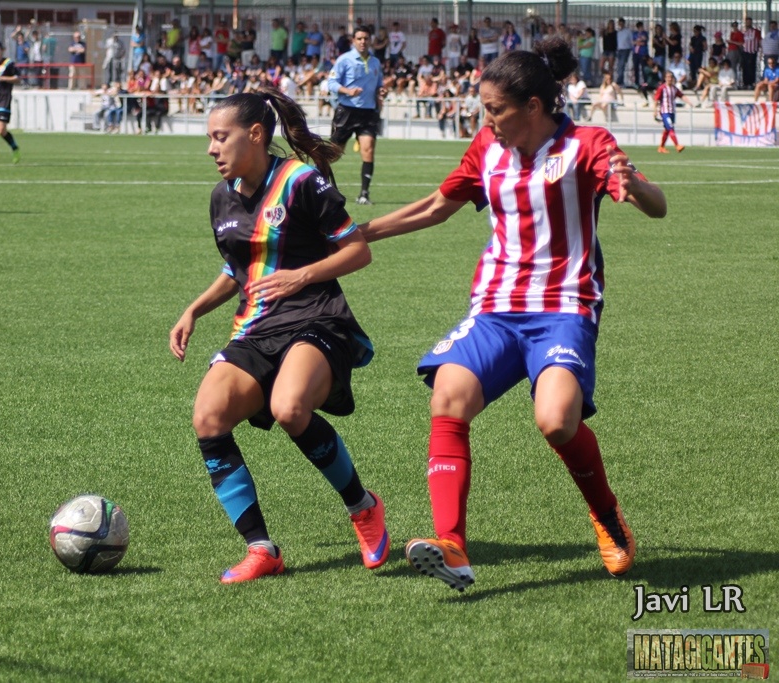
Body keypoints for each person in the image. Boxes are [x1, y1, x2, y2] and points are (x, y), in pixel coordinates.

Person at [357, 36, 666, 591]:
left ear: (533, 108)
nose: (487, 119)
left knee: (556, 420)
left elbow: (656, 205)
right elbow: (436, 206)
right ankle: (451, 545)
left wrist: (634, 183)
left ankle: (607, 515)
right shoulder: (485, 148)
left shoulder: (589, 144)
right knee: (447, 397)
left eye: (495, 109)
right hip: (496, 308)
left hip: (564, 308)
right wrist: (363, 231)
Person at [169, 87, 390, 584]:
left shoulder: (300, 181)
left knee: (290, 408)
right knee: (208, 417)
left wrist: (302, 275)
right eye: (209, 138)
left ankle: (363, 506)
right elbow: (237, 269)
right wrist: (194, 309)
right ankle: (261, 548)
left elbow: (357, 251)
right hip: (256, 327)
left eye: (220, 137)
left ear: (254, 134)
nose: (211, 148)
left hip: (316, 317)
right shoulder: (220, 198)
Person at [327, 26, 387, 205]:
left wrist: (381, 91)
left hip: (368, 113)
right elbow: (331, 83)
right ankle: (314, 182)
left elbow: (379, 85)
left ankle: (364, 194)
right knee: (333, 154)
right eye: (359, 38)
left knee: (368, 150)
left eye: (366, 38)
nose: (363, 42)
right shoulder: (344, 60)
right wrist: (347, 91)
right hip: (346, 111)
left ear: (370, 40)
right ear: (353, 40)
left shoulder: (375, 62)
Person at [653, 70, 691, 153]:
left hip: (672, 112)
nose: (669, 79)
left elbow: (682, 96)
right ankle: (677, 145)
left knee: (667, 130)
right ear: (665, 78)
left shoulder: (674, 88)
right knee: (670, 127)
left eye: (671, 77)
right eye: (668, 77)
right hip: (665, 112)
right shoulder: (662, 88)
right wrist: (655, 111)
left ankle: (661, 147)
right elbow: (656, 100)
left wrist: (689, 102)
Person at [741, 17, 762, 89]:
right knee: (745, 67)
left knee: (751, 68)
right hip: (745, 52)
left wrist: (760, 51)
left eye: (750, 22)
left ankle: (751, 82)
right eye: (747, 22)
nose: (748, 23)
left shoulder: (756, 31)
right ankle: (745, 83)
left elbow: (759, 41)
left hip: (752, 52)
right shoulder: (743, 32)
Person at [615, 18, 633, 87]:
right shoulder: (618, 31)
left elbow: (631, 41)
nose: (621, 25)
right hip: (619, 50)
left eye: (622, 23)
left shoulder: (627, 31)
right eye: (620, 23)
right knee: (619, 66)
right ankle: (620, 80)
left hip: (625, 49)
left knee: (622, 65)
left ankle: (620, 81)